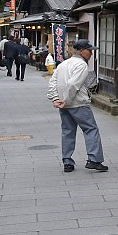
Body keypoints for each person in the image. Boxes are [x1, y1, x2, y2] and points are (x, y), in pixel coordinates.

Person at [47, 39, 107, 174]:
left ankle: (67, 161)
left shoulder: (63, 64)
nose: (91, 54)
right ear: (81, 51)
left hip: (64, 104)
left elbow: (53, 83)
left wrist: (56, 99)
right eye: (89, 50)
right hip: (78, 104)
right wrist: (66, 100)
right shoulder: (81, 65)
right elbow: (73, 85)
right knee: (90, 129)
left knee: (67, 131)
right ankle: (94, 160)